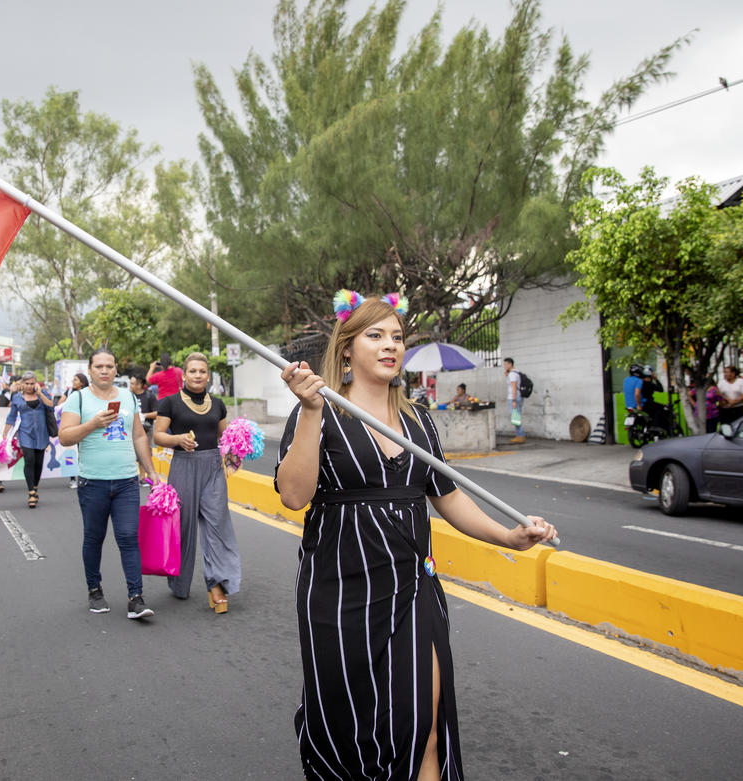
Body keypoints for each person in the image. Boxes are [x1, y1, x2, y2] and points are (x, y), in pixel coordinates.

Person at [274, 291, 557, 780]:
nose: (391, 345)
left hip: (412, 587)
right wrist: (312, 410)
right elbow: (294, 495)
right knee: (350, 728)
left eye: (397, 337)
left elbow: (448, 495)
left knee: (424, 726)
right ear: (346, 348)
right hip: (339, 591)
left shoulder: (419, 420)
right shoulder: (317, 412)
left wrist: (509, 537)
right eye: (375, 335)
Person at [59, 349, 161, 620]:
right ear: (90, 370)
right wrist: (92, 424)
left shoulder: (127, 397)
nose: (104, 371)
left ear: (116, 370)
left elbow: (138, 436)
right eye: (99, 366)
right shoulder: (78, 398)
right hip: (92, 482)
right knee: (94, 538)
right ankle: (94, 590)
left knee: (128, 537)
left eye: (109, 366)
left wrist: (151, 471)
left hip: (127, 481)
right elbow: (65, 437)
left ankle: (136, 598)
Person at [154, 352, 241, 612]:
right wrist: (177, 439)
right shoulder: (170, 403)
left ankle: (217, 584)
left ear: (208, 375)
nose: (198, 375)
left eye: (202, 371)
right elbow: (158, 435)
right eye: (193, 371)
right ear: (184, 374)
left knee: (217, 525)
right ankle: (179, 582)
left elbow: (225, 436)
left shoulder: (218, 404)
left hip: (212, 467)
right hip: (184, 465)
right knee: (183, 526)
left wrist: (237, 449)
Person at [2, 371, 53, 509]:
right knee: (29, 460)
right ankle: (31, 491)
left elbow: (50, 405)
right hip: (25, 433)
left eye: (32, 383)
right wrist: (5, 433)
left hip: (41, 433)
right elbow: (12, 416)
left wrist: (40, 393)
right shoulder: (17, 397)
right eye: (27, 383)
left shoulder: (42, 394)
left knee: (38, 463)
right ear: (22, 384)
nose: (29, 386)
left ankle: (35, 486)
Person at [130, 372, 156, 481]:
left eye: (133, 383)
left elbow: (157, 413)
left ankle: (143, 477)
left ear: (139, 385)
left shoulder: (149, 396)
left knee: (145, 452)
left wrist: (144, 416)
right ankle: (136, 476)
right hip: (131, 429)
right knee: (132, 453)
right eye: (130, 383)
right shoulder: (128, 396)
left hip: (146, 429)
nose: (130, 386)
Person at [503, 357, 525, 444]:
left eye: (506, 364)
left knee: (516, 417)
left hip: (514, 397)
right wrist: (506, 375)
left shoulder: (512, 374)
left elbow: (514, 387)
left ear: (510, 364)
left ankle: (520, 435)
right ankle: (519, 435)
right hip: (517, 397)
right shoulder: (515, 372)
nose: (504, 366)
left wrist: (514, 400)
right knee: (516, 416)